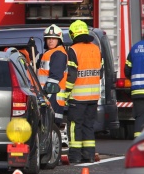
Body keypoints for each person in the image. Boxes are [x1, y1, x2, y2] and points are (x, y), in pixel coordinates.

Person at [65, 20, 102, 164]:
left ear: (73, 34)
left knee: (75, 126)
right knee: (88, 125)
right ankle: (89, 155)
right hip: (93, 96)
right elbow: (101, 72)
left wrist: (66, 92)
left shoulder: (73, 50)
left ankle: (75, 156)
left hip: (78, 96)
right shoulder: (95, 48)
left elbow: (72, 75)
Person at [37, 24, 68, 125]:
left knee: (51, 125)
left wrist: (47, 94)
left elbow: (55, 77)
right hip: (47, 95)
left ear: (59, 40)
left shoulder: (58, 54)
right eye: (48, 38)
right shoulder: (49, 53)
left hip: (52, 95)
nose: (50, 41)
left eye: (53, 38)